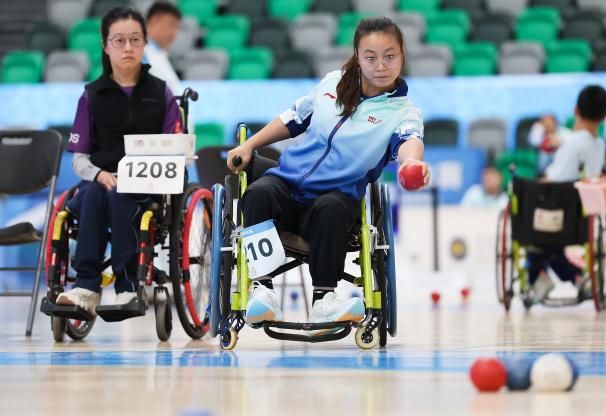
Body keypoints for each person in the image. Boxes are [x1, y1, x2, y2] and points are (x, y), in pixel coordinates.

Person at [226, 17, 429, 327]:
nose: (381, 65)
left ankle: (324, 299)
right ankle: (262, 291)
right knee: (257, 193)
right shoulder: (332, 83)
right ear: (358, 56)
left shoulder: (403, 112)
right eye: (370, 57)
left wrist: (412, 164)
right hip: (289, 185)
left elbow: (409, 141)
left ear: (402, 55)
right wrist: (249, 146)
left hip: (335, 201)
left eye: (390, 56)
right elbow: (293, 118)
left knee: (331, 207)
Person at [57, 7, 183, 316]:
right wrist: (98, 174)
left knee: (119, 194)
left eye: (135, 40)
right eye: (119, 40)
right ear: (105, 45)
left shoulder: (162, 94)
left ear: (144, 44)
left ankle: (127, 287)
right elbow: (80, 159)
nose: (128, 48)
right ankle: (86, 286)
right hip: (100, 182)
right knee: (90, 194)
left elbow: (176, 149)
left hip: (147, 187)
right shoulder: (90, 96)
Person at [529, 85, 606, 303]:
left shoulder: (571, 143)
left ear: (575, 110)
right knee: (552, 247)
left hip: (558, 215)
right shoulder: (600, 145)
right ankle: (575, 276)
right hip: (584, 217)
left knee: (528, 221)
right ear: (604, 116)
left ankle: (539, 276)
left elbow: (557, 182)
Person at [144, 1, 182, 95]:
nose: (174, 33)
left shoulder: (159, 54)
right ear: (153, 21)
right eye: (171, 24)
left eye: (177, 27)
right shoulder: (140, 54)